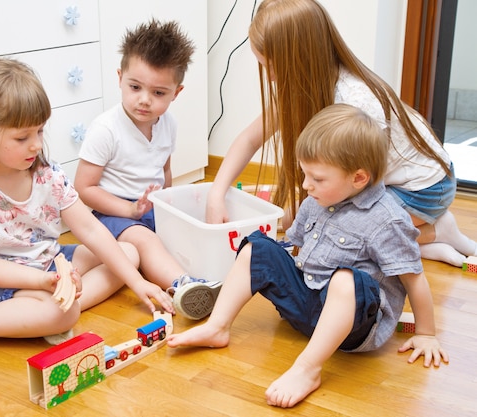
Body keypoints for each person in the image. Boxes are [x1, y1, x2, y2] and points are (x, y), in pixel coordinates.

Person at [168, 103, 449, 408]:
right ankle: (217, 327)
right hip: (308, 308)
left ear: (358, 178)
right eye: (305, 174)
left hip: (354, 329)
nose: (305, 185)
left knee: (345, 280)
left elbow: (414, 279)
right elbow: (293, 248)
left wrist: (426, 333)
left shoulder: (388, 220)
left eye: (317, 178)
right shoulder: (315, 201)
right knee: (258, 248)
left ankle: (307, 369)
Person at [0, 57, 174, 366]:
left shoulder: (46, 174)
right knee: (58, 311)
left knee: (127, 253)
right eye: (22, 137)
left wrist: (138, 283)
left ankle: (51, 312)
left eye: (40, 132)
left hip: (46, 263)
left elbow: (90, 228)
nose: (36, 146)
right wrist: (41, 283)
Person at [206, 0, 477, 267]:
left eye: (271, 67)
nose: (272, 78)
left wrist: (309, 220)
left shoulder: (355, 101)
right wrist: (216, 194)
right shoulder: (303, 84)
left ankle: (435, 232)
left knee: (335, 235)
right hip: (379, 180)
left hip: (423, 188)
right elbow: (249, 138)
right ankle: (421, 239)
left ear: (298, 58)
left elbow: (364, 189)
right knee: (308, 222)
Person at [74, 19, 221, 320]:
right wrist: (129, 211)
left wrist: (170, 206)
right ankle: (184, 287)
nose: (144, 100)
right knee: (146, 241)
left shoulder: (168, 124)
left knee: (186, 229)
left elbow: (164, 171)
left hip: (151, 209)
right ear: (120, 78)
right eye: (135, 87)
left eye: (158, 93)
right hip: (113, 215)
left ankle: (200, 273)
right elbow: (84, 189)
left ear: (176, 93)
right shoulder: (106, 129)